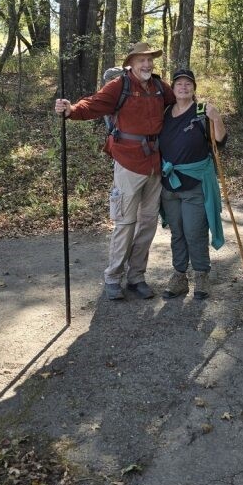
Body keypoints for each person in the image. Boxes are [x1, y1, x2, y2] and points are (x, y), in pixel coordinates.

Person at [55, 43, 174, 301]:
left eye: (149, 60)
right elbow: (93, 105)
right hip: (128, 163)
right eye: (141, 60)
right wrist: (71, 110)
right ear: (131, 63)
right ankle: (112, 277)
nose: (146, 64)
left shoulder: (158, 87)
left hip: (155, 164)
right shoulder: (120, 86)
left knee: (147, 224)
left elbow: (178, 106)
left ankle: (136, 277)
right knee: (125, 223)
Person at [159, 68, 226, 302]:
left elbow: (220, 141)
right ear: (173, 88)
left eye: (188, 84)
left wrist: (216, 118)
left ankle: (201, 275)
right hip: (169, 184)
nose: (184, 87)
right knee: (177, 232)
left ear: (194, 88)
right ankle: (179, 276)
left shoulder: (201, 112)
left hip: (195, 183)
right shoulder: (165, 112)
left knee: (194, 231)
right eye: (179, 84)